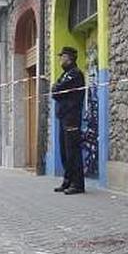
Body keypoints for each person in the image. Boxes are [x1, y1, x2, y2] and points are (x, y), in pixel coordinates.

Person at [52, 46, 85, 195]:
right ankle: (67, 181)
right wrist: (56, 89)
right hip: (64, 117)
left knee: (73, 152)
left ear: (69, 58)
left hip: (72, 118)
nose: (60, 59)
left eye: (62, 57)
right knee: (65, 152)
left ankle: (77, 184)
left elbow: (58, 90)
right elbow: (55, 89)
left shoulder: (75, 74)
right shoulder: (65, 74)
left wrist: (57, 89)